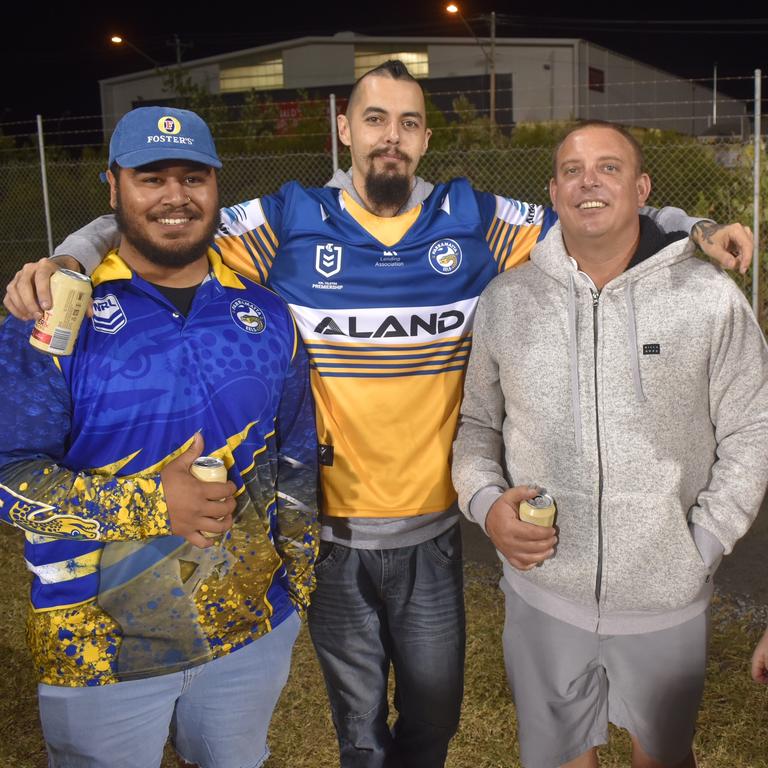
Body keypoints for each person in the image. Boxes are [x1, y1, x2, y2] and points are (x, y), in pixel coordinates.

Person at [2, 63, 755, 768]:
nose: (390, 135)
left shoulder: (477, 220)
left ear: (425, 139)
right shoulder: (284, 222)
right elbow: (164, 219)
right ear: (345, 130)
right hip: (331, 532)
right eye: (374, 119)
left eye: (408, 123)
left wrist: (690, 226)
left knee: (434, 716)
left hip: (431, 529)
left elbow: (595, 210)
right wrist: (69, 256)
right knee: (359, 730)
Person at [0, 106, 318, 768]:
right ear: (112, 187)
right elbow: (9, 472)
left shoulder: (263, 311)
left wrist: (296, 589)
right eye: (152, 177)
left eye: (194, 177)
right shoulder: (55, 313)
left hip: (249, 632)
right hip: (98, 646)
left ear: (215, 189)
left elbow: (296, 456)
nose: (176, 196)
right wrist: (149, 504)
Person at [452, 120, 768, 768]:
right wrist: (486, 505)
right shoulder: (506, 302)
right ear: (553, 190)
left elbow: (752, 431)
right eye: (572, 169)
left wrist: (698, 546)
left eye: (609, 167)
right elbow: (477, 428)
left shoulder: (710, 300)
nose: (588, 180)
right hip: (542, 594)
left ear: (643, 187)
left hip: (665, 601)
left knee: (663, 758)